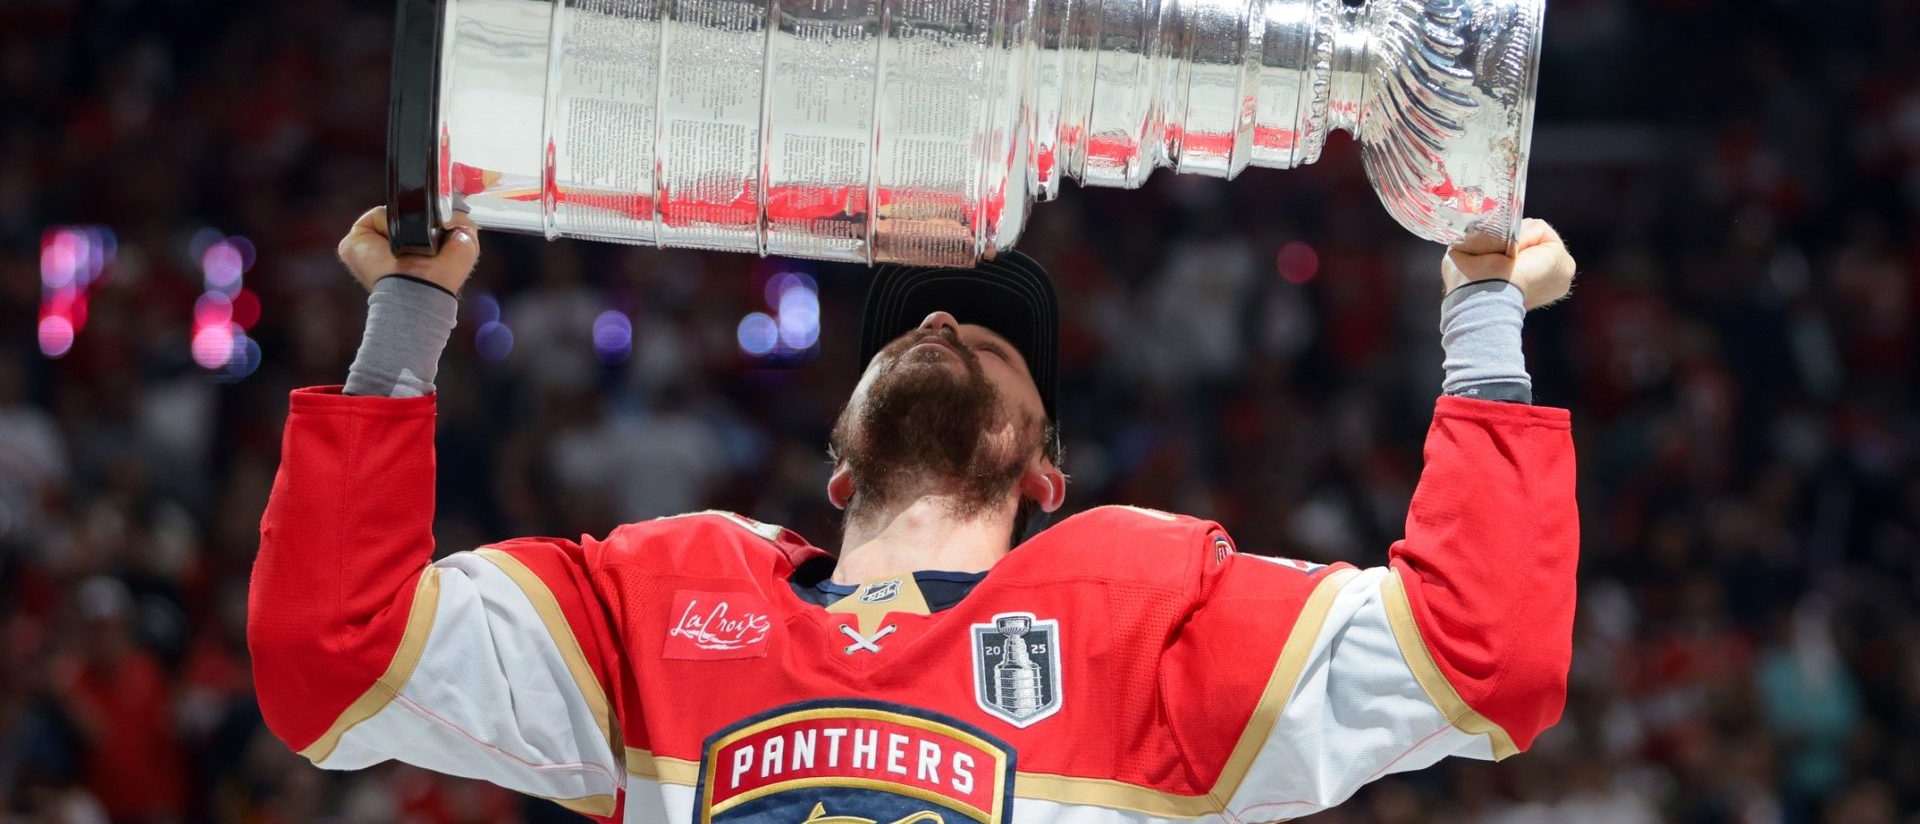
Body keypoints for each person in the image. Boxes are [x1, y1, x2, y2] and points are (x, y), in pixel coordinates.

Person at [249, 206, 1578, 823]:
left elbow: (1486, 655)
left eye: (995, 343)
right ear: (839, 460)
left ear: (1044, 472)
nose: (943, 318)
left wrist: (1481, 315)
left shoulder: (1150, 621)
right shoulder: (661, 606)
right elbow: (333, 660)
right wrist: (414, 307)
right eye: (915, 328)